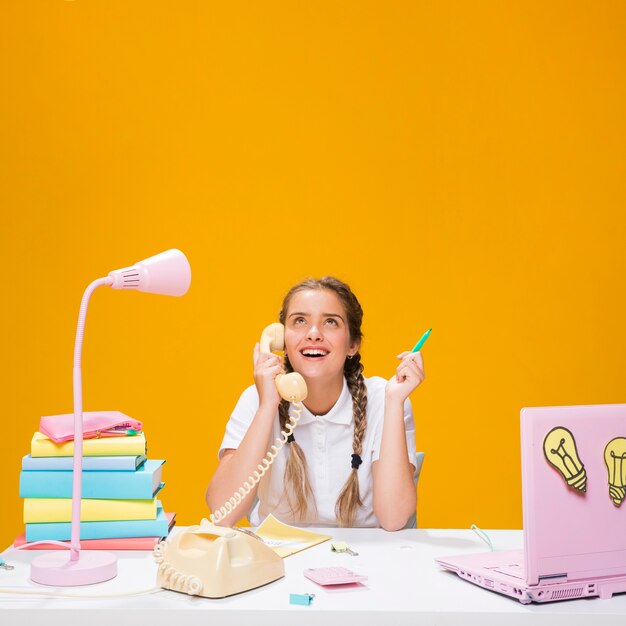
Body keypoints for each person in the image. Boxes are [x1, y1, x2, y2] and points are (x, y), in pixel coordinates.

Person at [205, 276, 425, 530]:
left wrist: (395, 403)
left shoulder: (385, 398)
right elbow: (222, 512)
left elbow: (394, 518)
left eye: (330, 322)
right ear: (281, 340)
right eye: (300, 320)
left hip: (365, 555)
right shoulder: (257, 398)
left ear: (353, 344)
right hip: (278, 555)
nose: (313, 334)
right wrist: (267, 407)